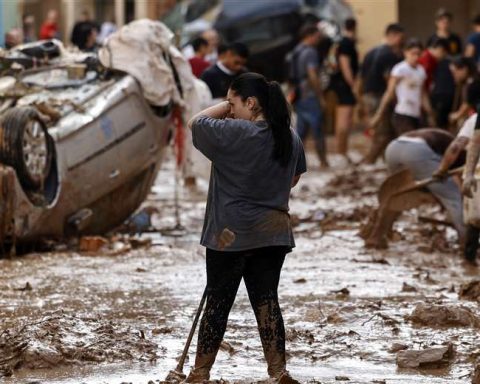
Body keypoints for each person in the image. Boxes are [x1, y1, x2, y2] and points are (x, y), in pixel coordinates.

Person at [186, 72, 306, 383]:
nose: (230, 109)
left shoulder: (233, 132)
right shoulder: (290, 136)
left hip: (230, 234)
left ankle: (200, 373)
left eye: (233, 102)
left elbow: (196, 123)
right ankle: (278, 371)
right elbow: (293, 179)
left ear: (251, 103)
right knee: (267, 301)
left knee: (218, 303)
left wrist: (223, 108)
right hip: (274, 233)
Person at [365, 128, 466, 249]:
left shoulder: (446, 138)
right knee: (454, 198)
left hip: (393, 148)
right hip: (417, 152)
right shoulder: (463, 154)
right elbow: (461, 185)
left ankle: (377, 236)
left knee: (399, 194)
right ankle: (467, 243)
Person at [370, 39, 434, 137]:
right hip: (402, 113)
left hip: (416, 114)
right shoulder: (400, 69)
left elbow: (422, 93)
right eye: (413, 54)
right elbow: (389, 92)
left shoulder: (421, 71)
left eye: (418, 54)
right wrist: (379, 115)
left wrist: (429, 113)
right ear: (406, 53)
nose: (416, 57)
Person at [360, 23, 405, 164]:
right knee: (383, 132)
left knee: (385, 131)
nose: (402, 41)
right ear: (394, 36)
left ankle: (386, 159)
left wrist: (360, 99)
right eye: (401, 38)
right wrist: (397, 100)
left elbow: (360, 79)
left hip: (368, 95)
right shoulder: (389, 55)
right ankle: (368, 161)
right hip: (380, 96)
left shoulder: (370, 52)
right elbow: (389, 80)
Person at [289, 24, 328, 168]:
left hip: (299, 93)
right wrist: (320, 96)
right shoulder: (311, 51)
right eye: (317, 37)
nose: (319, 40)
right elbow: (312, 74)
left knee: (301, 131)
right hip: (310, 94)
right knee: (318, 129)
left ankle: (293, 163)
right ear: (310, 35)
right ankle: (323, 161)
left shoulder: (297, 50)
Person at [331, 17, 359, 164]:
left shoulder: (344, 42)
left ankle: (342, 151)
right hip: (344, 85)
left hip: (342, 84)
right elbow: (345, 65)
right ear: (354, 27)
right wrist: (352, 84)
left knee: (344, 120)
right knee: (344, 120)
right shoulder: (346, 43)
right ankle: (340, 152)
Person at [449, 57, 480, 129]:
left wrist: (456, 115)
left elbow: (467, 105)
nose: (454, 75)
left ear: (464, 69)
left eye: (455, 72)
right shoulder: (469, 82)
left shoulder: (473, 83)